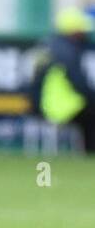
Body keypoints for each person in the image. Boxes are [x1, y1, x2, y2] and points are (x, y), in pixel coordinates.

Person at [35, 8, 95, 151]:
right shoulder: (67, 51)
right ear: (73, 31)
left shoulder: (50, 46)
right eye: (81, 31)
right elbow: (78, 82)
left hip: (47, 104)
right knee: (91, 116)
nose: (84, 34)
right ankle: (90, 152)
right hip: (61, 106)